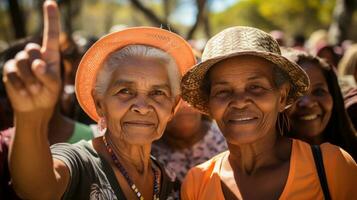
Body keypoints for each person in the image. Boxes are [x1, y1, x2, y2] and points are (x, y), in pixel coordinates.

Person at [3, 1, 196, 199]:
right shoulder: (81, 163)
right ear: (99, 104)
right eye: (125, 91)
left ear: (173, 107)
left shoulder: (164, 178)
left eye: (158, 93)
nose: (142, 107)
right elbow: (37, 188)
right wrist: (30, 117)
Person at [179, 26, 357, 199]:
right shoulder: (197, 182)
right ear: (209, 105)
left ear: (281, 97)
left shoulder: (331, 166)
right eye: (223, 91)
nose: (240, 102)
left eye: (256, 87)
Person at [283, 49, 357, 160]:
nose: (308, 103)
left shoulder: (351, 160)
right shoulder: (263, 172)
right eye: (295, 93)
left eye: (319, 91)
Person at [151, 100, 227, 182]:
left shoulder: (229, 146)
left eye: (190, 95)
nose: (185, 104)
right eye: (176, 97)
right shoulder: (147, 156)